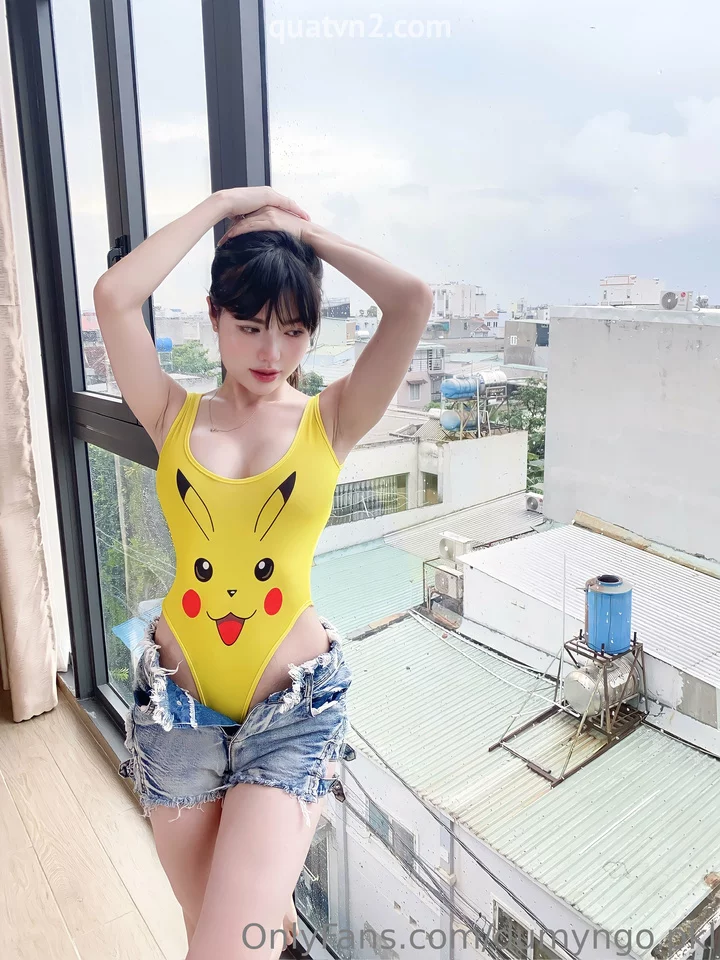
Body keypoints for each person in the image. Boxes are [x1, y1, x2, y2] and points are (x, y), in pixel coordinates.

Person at [93, 185, 433, 960]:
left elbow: (411, 301)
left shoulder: (331, 418)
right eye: (249, 327)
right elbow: (114, 297)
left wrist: (304, 235)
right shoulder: (172, 413)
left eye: (293, 331)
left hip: (293, 711)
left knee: (224, 947)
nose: (270, 353)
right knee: (212, 931)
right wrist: (222, 207)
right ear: (214, 316)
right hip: (177, 713)